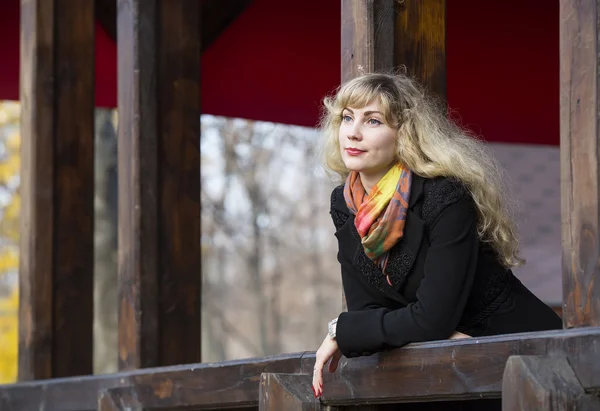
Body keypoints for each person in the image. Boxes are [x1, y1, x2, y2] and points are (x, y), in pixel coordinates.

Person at [311, 72, 562, 399]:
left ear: (404, 133)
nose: (353, 133)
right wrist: (374, 329)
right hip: (447, 367)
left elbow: (429, 320)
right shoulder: (344, 203)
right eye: (347, 118)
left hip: (524, 357)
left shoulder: (444, 196)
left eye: (373, 121)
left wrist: (341, 332)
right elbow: (367, 312)